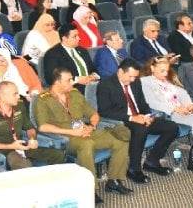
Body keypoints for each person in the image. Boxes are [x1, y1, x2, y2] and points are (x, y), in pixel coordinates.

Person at [35, 67, 132, 203]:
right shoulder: (43, 99)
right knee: (87, 144)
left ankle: (114, 181)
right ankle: (89, 189)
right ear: (57, 82)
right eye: (68, 80)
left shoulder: (75, 94)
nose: (72, 82)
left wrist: (91, 126)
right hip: (66, 138)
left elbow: (94, 114)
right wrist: (72, 132)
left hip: (86, 132)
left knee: (120, 139)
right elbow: (43, 126)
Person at [97, 58, 178, 182]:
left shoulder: (136, 82)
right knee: (141, 129)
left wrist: (148, 116)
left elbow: (142, 103)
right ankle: (134, 169)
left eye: (135, 77)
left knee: (172, 127)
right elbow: (104, 111)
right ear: (120, 72)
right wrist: (132, 118)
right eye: (130, 76)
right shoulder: (105, 85)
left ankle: (152, 161)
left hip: (140, 117)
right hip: (122, 120)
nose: (132, 80)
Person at [141, 55, 193, 158]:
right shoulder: (145, 82)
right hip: (168, 114)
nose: (165, 74)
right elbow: (152, 103)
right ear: (152, 68)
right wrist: (176, 109)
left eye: (167, 71)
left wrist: (189, 105)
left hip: (182, 108)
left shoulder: (165, 80)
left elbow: (182, 93)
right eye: (162, 71)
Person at [0, 81, 66, 170]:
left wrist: (32, 139)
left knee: (58, 155)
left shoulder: (19, 105)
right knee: (25, 166)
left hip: (22, 146)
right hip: (5, 151)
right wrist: (11, 146)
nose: (18, 96)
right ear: (3, 96)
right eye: (15, 94)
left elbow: (29, 128)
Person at [42, 24, 98, 90]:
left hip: (92, 85)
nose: (79, 38)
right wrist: (77, 80)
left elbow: (93, 69)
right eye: (75, 36)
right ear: (64, 38)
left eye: (78, 35)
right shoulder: (53, 54)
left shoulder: (82, 50)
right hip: (72, 88)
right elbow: (51, 77)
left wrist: (94, 76)